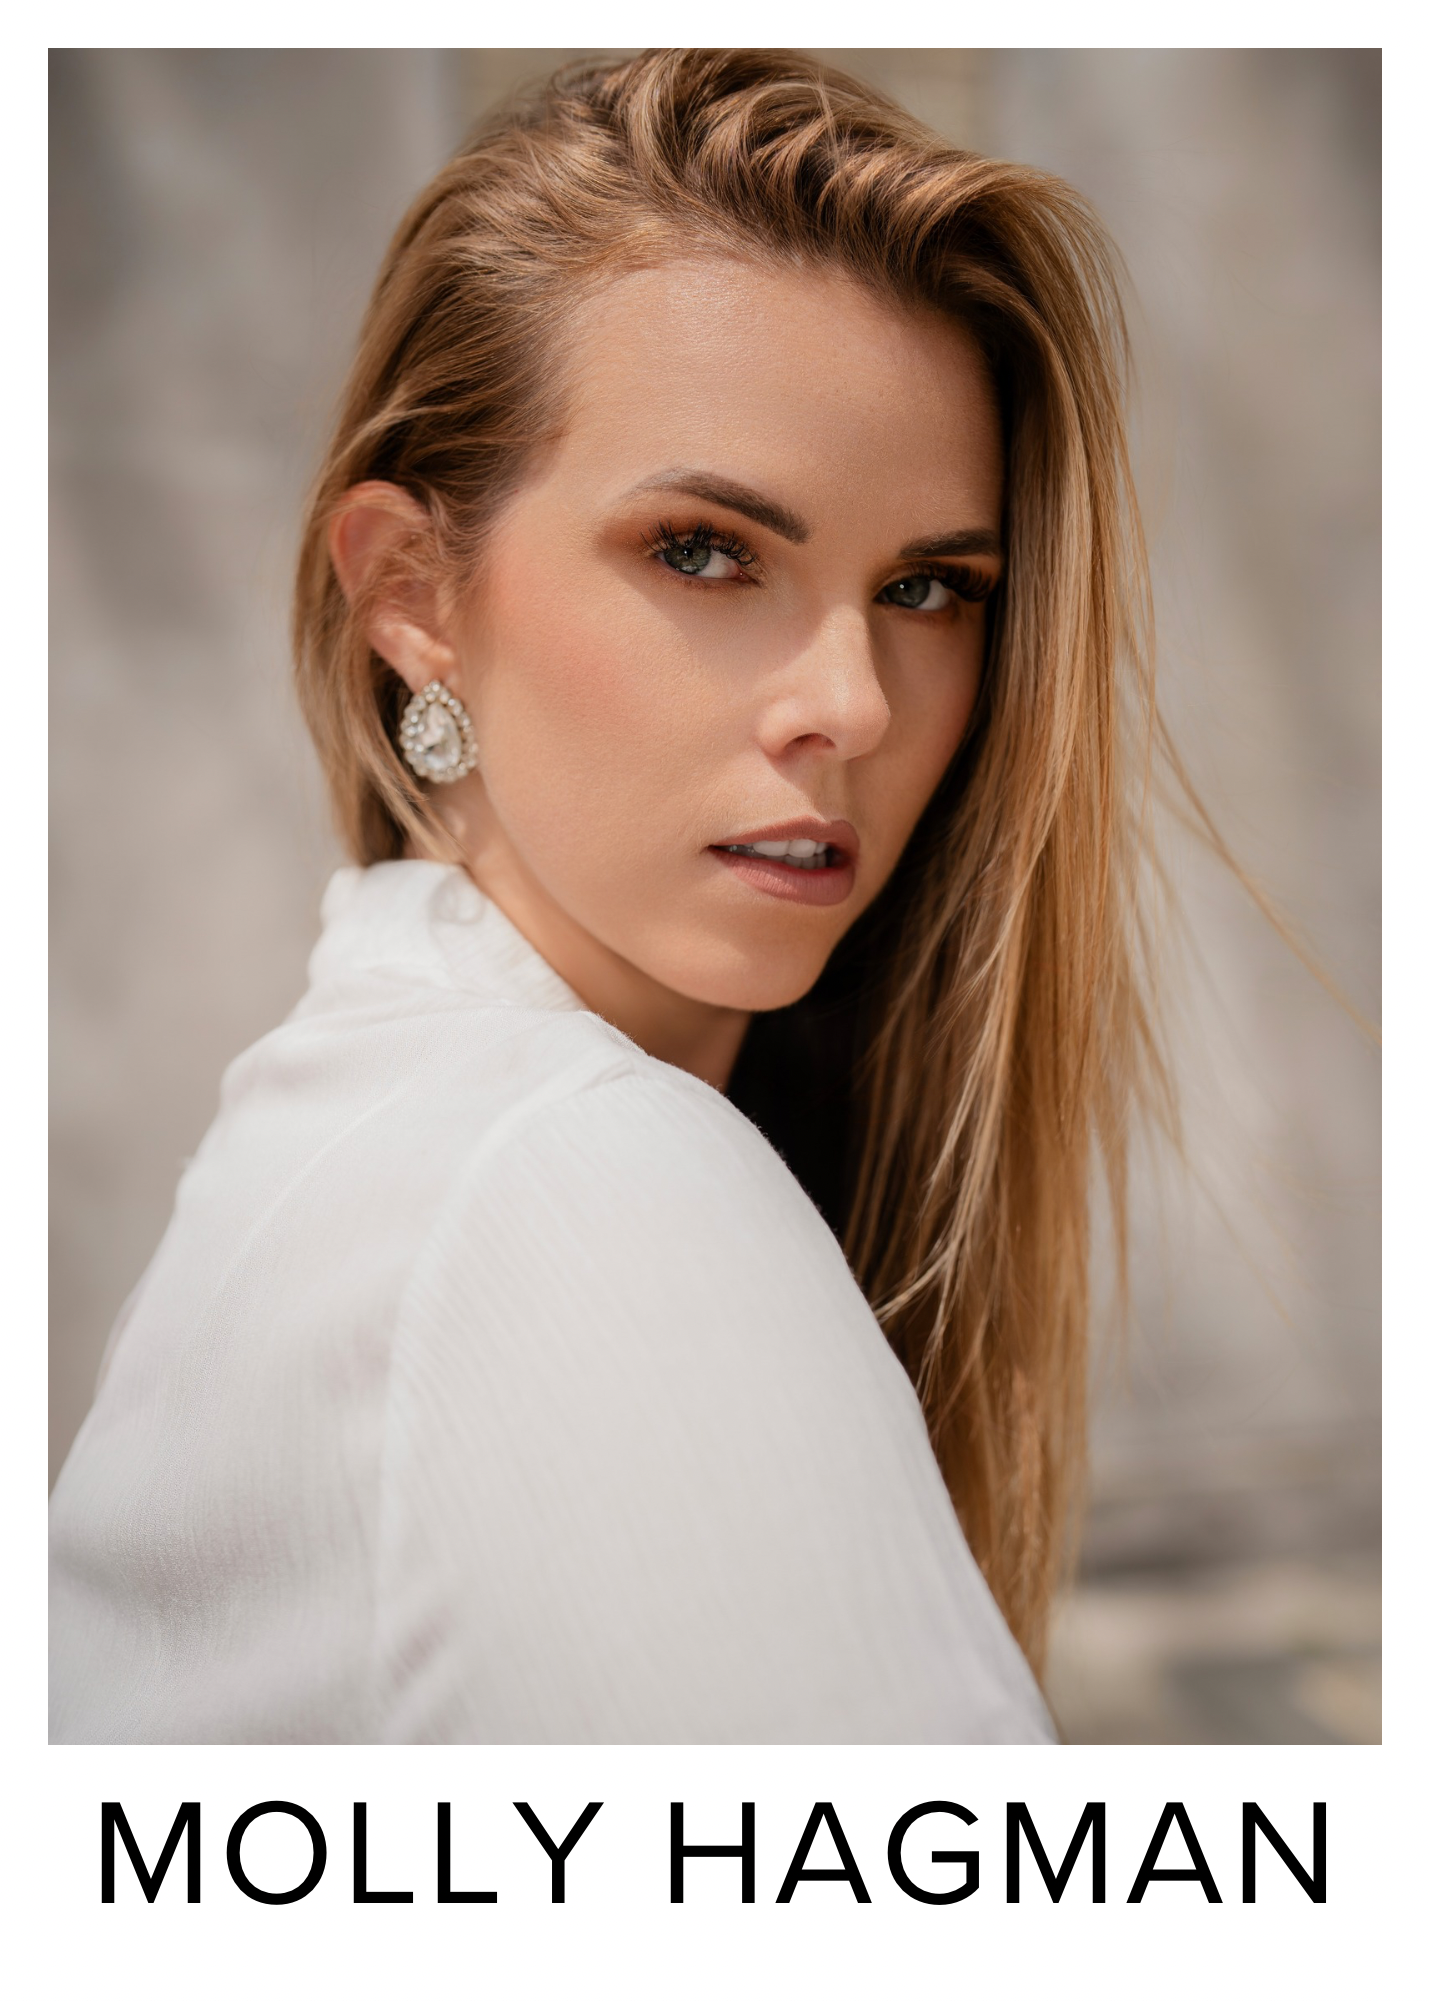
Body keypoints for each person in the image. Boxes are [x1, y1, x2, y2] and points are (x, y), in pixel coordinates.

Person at [50, 49, 1168, 1744]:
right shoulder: (564, 1178)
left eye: (930, 588)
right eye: (706, 552)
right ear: (413, 592)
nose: (853, 705)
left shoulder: (387, 1121)